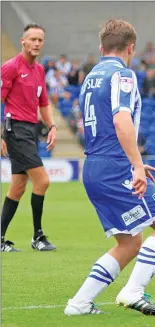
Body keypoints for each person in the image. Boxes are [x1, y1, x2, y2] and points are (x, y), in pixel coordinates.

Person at [64, 19, 155, 316]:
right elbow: (120, 120)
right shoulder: (123, 75)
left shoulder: (91, 77)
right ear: (131, 48)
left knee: (130, 242)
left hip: (94, 165)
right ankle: (133, 291)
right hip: (117, 168)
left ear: (101, 47)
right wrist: (137, 165)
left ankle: (78, 304)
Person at [1, 23, 57, 252]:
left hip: (31, 130)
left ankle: (1, 238)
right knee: (43, 181)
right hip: (16, 130)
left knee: (17, 187)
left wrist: (52, 126)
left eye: (40, 40)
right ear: (23, 41)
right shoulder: (11, 67)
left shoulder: (39, 70)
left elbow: (43, 102)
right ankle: (38, 237)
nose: (36, 43)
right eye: (32, 39)